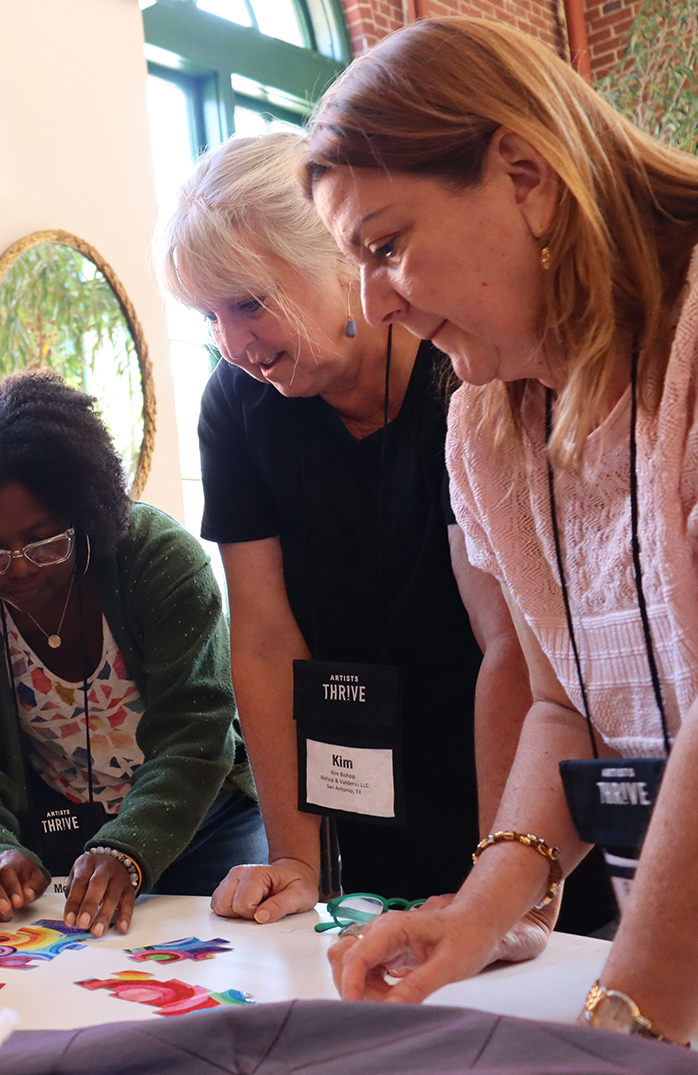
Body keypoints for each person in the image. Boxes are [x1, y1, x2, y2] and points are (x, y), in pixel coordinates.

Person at [303, 16, 698, 1045]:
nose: (370, 304)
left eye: (384, 246)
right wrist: (476, 913)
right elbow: (565, 703)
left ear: (525, 176)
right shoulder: (487, 421)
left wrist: (629, 1012)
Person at [159, 132, 555, 922]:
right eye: (210, 317)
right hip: (357, 772)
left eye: (248, 303)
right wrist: (296, 858)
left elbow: (507, 644)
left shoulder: (463, 378)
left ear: (338, 253)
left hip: (504, 761)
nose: (233, 346)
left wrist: (495, 885)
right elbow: (267, 639)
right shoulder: (236, 410)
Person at [0, 371, 264, 937]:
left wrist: (127, 849)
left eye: (45, 541)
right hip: (58, 834)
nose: (19, 567)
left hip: (204, 819)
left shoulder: (157, 560)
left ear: (82, 511)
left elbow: (196, 733)